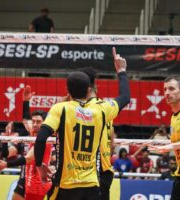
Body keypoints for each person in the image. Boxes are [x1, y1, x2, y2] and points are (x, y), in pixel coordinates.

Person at [34, 47, 130, 200]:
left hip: (66, 184)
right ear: (88, 89)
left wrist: (39, 166)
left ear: (68, 90)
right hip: (91, 184)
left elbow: (40, 138)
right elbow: (125, 97)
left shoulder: (60, 108)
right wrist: (122, 71)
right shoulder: (102, 109)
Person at [0, 87, 53, 200]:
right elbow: (26, 120)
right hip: (26, 177)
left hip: (37, 183)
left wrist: (6, 164)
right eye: (34, 121)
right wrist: (25, 101)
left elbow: (29, 158)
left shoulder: (44, 138)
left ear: (45, 123)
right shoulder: (33, 133)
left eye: (39, 122)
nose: (35, 124)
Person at [79, 67, 115, 200]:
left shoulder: (80, 109)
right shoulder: (106, 107)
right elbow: (112, 142)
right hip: (105, 169)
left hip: (90, 170)